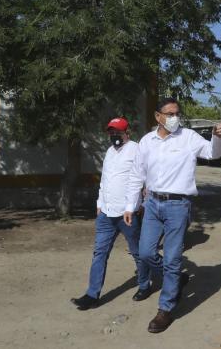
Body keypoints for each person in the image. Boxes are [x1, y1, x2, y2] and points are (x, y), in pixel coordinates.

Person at [126, 98, 221, 333]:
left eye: (177, 113)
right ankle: (176, 278)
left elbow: (213, 153)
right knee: (145, 252)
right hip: (152, 203)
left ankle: (166, 308)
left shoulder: (188, 137)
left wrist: (217, 136)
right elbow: (137, 175)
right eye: (169, 114)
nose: (174, 118)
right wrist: (130, 206)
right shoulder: (146, 141)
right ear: (157, 116)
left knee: (172, 259)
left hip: (178, 206)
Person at [71, 118, 153, 310]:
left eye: (118, 131)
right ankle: (92, 295)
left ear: (127, 132)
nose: (114, 135)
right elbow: (104, 180)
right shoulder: (109, 152)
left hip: (128, 214)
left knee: (138, 253)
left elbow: (146, 179)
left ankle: (144, 285)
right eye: (111, 132)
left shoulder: (136, 150)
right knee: (99, 253)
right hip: (106, 214)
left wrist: (142, 204)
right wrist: (100, 204)